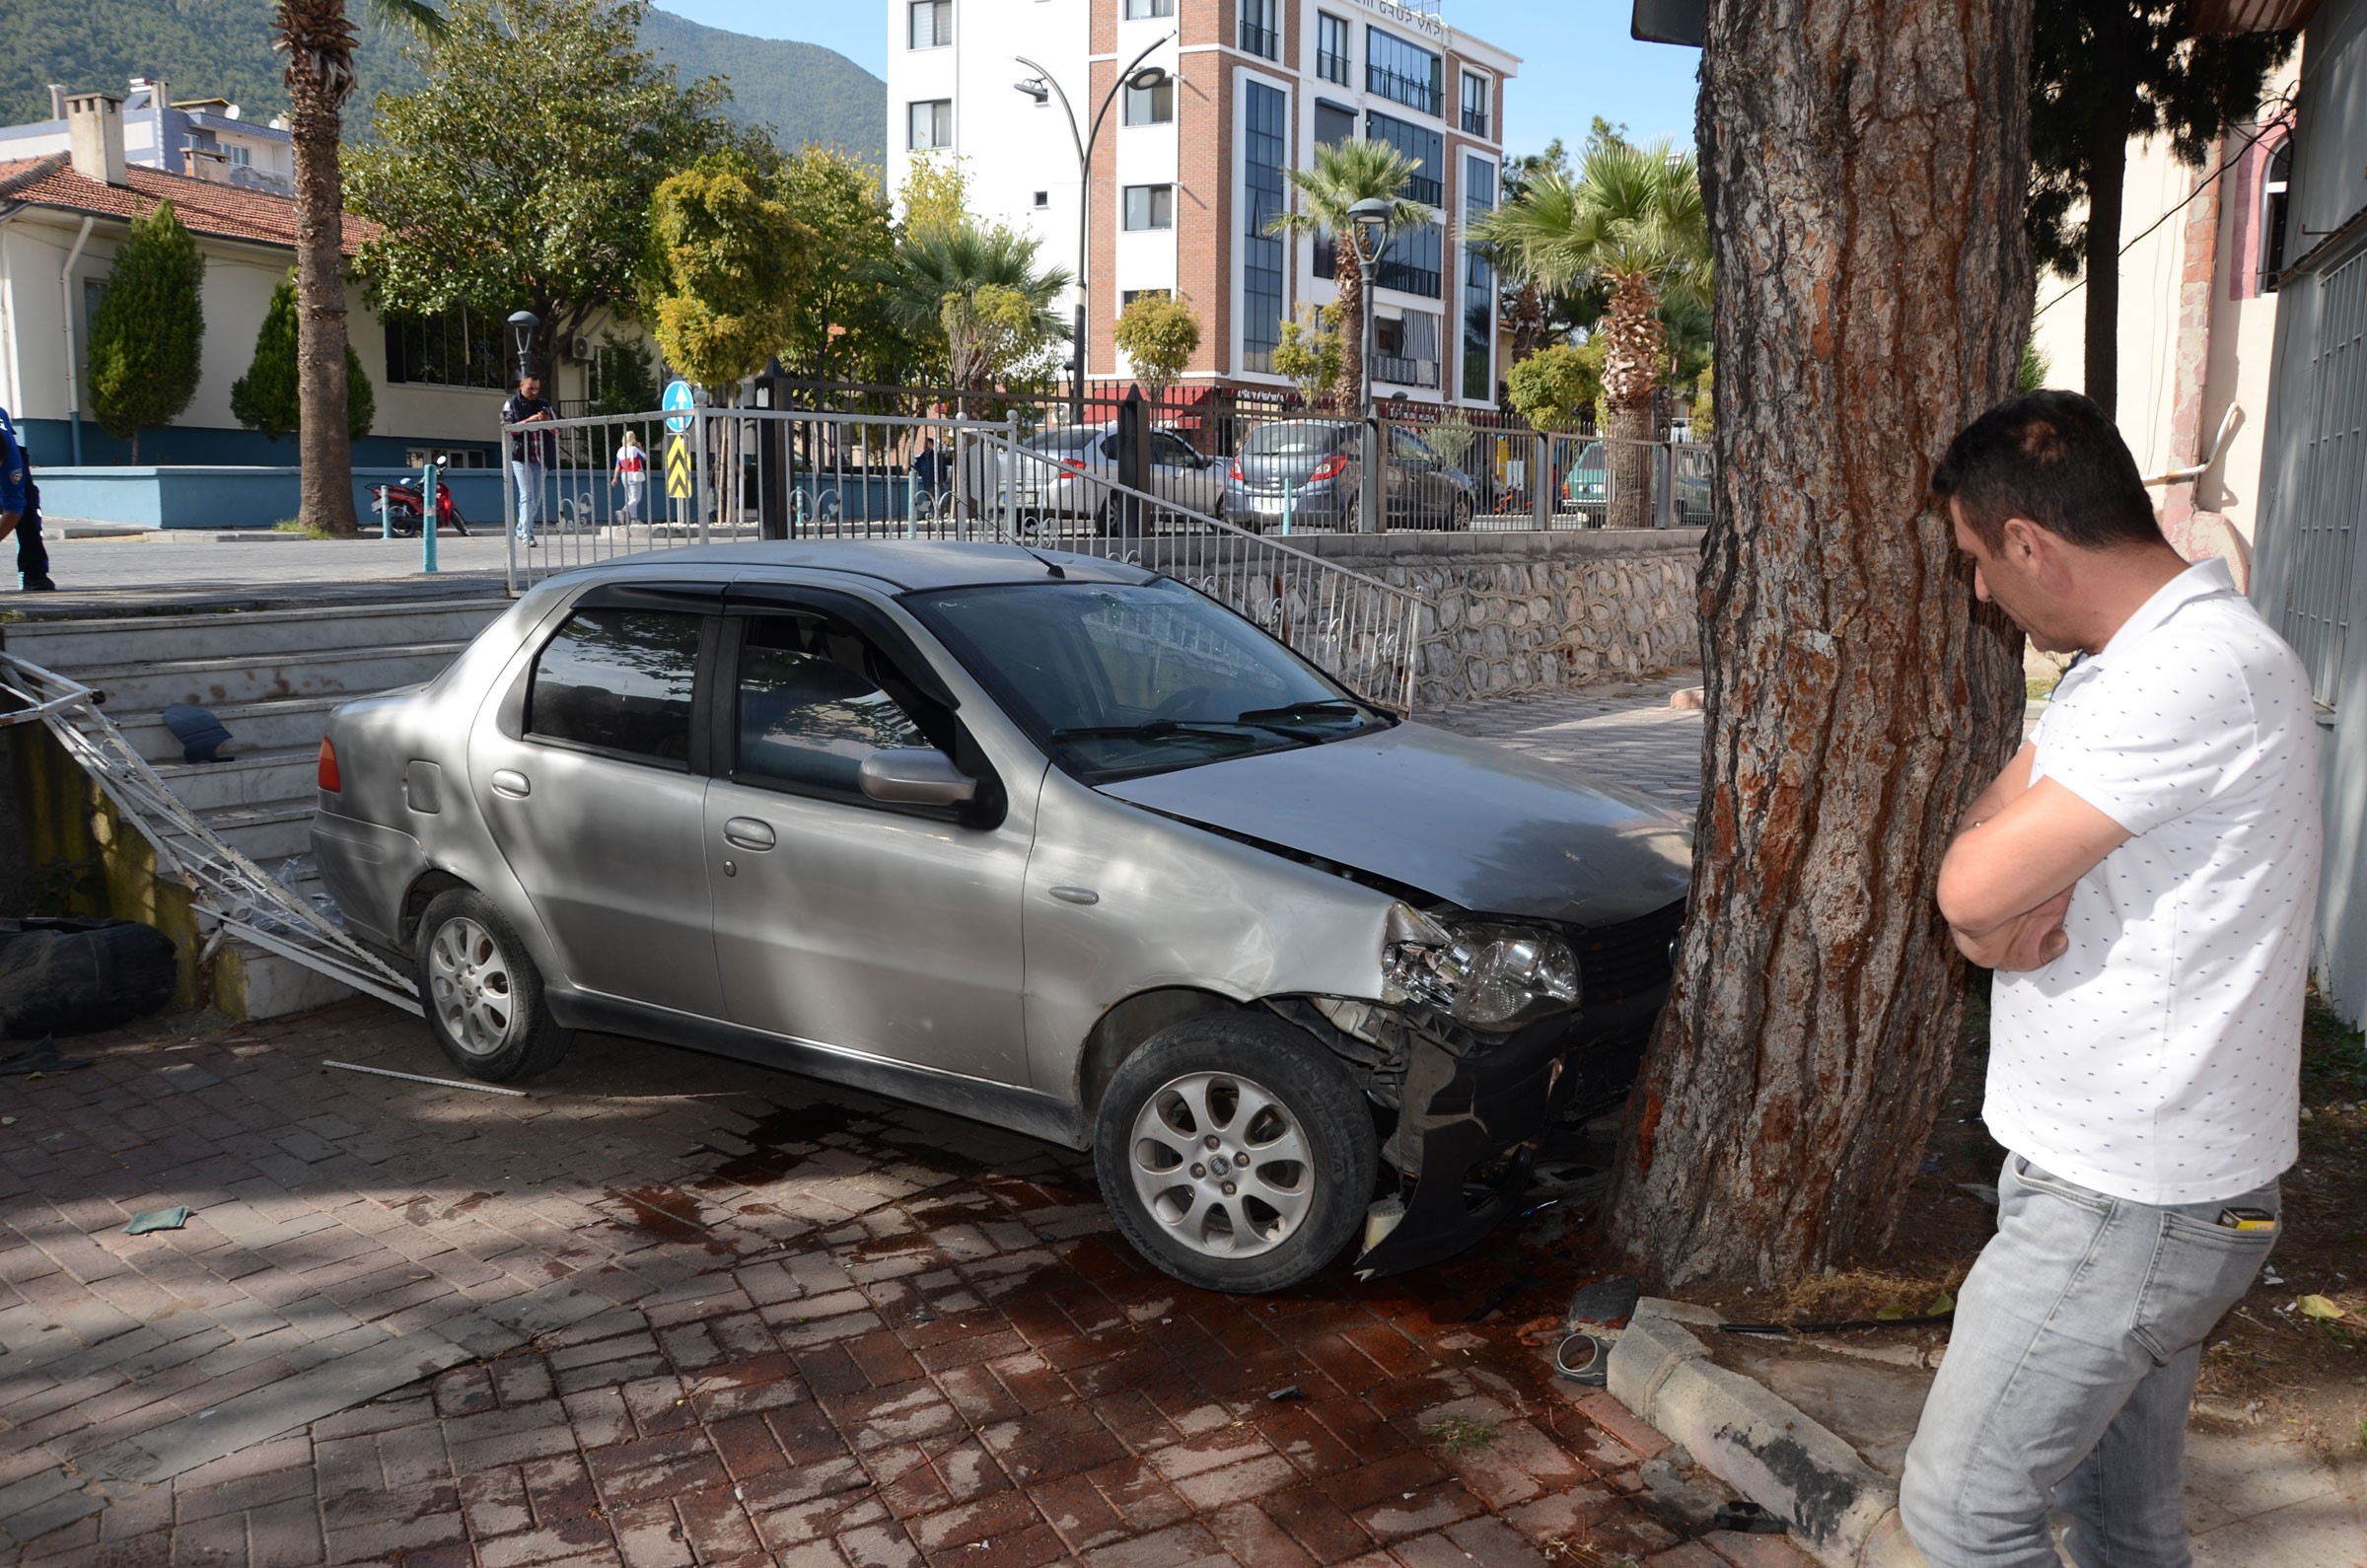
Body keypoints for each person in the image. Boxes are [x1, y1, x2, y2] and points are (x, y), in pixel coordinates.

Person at [1901, 391, 2322, 1568]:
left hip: (2127, 1200)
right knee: (2121, 1523)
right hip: (2133, 1185)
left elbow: (1971, 890)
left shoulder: (2193, 671)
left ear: (2030, 542)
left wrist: (1983, 913)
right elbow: (1986, 845)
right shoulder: (2121, 665)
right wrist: (1984, 915)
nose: (1980, 590)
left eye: (1979, 560)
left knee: (1962, 1513)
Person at [0, 406, 56, 592]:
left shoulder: (11, 466)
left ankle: (35, 575)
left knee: (28, 510)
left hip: (10, 451)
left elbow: (14, 510)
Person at [503, 374, 557, 546]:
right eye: (530, 388)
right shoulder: (511, 403)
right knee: (527, 496)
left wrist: (547, 421)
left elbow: (558, 429)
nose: (534, 392)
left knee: (535, 501)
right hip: (521, 457)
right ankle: (528, 535)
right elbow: (508, 428)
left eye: (536, 389)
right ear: (521, 385)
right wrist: (529, 421)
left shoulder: (544, 405)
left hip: (541, 458)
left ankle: (520, 529)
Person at [614, 429, 648, 524]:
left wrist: (615, 478)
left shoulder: (620, 451)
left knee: (631, 498)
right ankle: (623, 511)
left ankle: (634, 519)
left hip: (624, 475)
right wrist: (640, 447)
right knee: (635, 498)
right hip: (634, 474)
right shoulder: (634, 449)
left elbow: (618, 465)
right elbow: (644, 457)